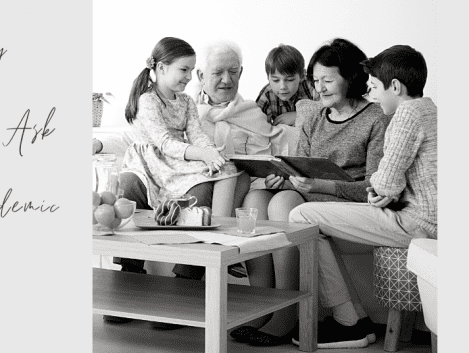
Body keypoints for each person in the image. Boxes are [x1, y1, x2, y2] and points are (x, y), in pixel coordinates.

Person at [230, 38, 392, 346]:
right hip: (310, 193)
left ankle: (287, 311)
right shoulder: (315, 116)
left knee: (282, 208)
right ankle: (264, 305)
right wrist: (283, 177)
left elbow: (371, 187)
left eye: (328, 81)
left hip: (346, 200)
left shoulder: (375, 118)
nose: (320, 89)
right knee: (256, 199)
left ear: (351, 78)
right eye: (316, 81)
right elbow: (298, 166)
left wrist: (315, 185)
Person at [289, 45, 436, 349]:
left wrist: (380, 192)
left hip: (416, 222)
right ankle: (352, 320)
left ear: (395, 87)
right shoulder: (429, 108)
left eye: (376, 87)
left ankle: (348, 322)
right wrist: (383, 192)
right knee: (305, 218)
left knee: (301, 217)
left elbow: (384, 181)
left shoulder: (404, 114)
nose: (373, 93)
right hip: (422, 215)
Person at [105, 37, 241, 329]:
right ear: (162, 68)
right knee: (127, 188)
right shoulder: (147, 100)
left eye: (192, 71)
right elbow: (164, 142)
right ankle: (128, 276)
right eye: (184, 70)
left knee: (202, 189)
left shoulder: (188, 102)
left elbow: (197, 135)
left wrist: (210, 153)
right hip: (147, 165)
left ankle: (186, 281)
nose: (189, 77)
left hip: (176, 166)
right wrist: (199, 154)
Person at [255, 44, 319, 126]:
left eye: (290, 80)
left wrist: (297, 116)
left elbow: (328, 110)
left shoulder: (312, 86)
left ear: (302, 75)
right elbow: (257, 127)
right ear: (268, 77)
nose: (282, 87)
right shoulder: (267, 95)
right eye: (276, 80)